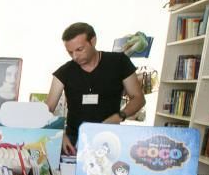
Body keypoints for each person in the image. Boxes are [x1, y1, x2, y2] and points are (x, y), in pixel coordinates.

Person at [46, 22, 145, 155]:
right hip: (73, 141)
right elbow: (46, 110)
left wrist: (119, 116)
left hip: (110, 138)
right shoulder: (64, 72)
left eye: (79, 49)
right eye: (70, 52)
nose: (75, 56)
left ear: (93, 41)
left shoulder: (120, 62)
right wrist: (59, 134)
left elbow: (138, 98)